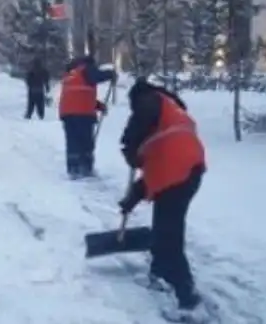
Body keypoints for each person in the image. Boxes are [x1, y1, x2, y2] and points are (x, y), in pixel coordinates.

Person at [117, 77, 208, 321]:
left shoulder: (148, 103)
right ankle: (158, 272)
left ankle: (188, 298)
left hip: (176, 174)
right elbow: (156, 170)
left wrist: (130, 144)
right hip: (188, 171)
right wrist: (131, 199)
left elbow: (140, 128)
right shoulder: (170, 110)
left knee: (169, 236)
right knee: (164, 226)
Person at [58, 56, 116, 178]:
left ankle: (73, 168)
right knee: (85, 141)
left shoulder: (70, 74)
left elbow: (79, 94)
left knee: (72, 141)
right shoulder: (85, 69)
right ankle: (86, 167)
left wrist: (99, 106)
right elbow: (97, 76)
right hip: (82, 114)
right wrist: (111, 74)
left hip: (67, 113)